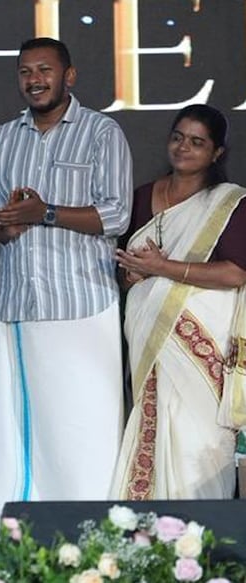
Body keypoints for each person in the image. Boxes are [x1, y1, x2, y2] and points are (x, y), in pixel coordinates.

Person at [0, 37, 132, 529]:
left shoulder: (101, 132)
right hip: (21, 309)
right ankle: (24, 533)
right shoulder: (3, 139)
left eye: (44, 70)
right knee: (18, 434)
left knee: (84, 433)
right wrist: (3, 226)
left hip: (83, 305)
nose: (34, 80)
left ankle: (92, 536)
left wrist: (45, 213)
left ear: (69, 76)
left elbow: (116, 214)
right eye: (25, 72)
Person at [109, 104, 246, 500]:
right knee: (151, 429)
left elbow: (236, 273)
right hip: (149, 339)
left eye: (197, 142)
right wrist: (133, 275)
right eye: (178, 137)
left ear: (217, 152)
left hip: (199, 350)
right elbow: (126, 269)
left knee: (197, 442)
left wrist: (162, 267)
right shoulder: (141, 197)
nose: (184, 147)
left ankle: (203, 535)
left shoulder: (229, 203)